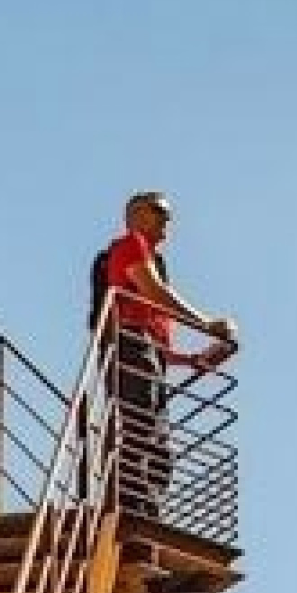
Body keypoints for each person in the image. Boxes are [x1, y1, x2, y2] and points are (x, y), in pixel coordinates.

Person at [92, 191, 237, 516]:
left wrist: (192, 360)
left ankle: (144, 510)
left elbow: (158, 345)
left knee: (157, 446)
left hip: (143, 352)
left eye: (168, 214)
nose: (166, 219)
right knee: (140, 428)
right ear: (135, 215)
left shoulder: (147, 257)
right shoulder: (131, 244)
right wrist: (207, 324)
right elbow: (155, 291)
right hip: (131, 345)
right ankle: (127, 509)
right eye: (159, 211)